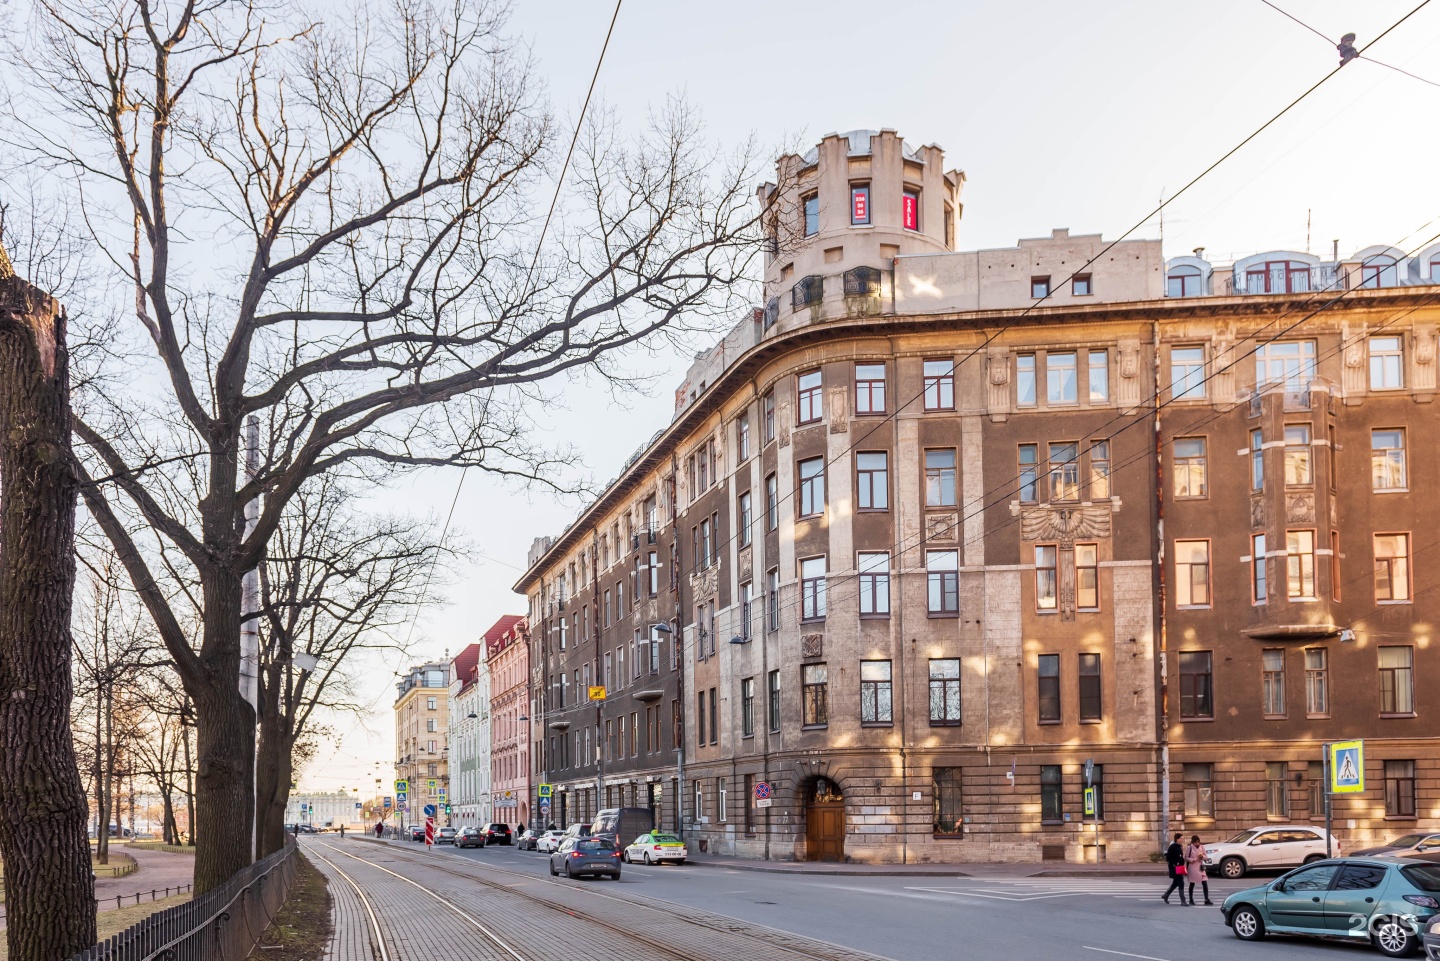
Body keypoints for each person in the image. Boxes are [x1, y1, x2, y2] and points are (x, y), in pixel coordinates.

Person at [1185, 834, 1212, 905]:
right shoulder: (1189, 848)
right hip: (1193, 867)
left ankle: (1206, 899)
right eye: (1195, 842)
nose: (1197, 844)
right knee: (1192, 883)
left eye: (1198, 842)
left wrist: (1202, 856)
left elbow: (1206, 857)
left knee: (1205, 883)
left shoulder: (1202, 847)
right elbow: (1186, 857)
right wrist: (1194, 859)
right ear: (1192, 842)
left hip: (1200, 867)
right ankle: (1191, 899)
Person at [1163, 833, 1189, 905]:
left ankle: (1166, 895)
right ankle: (1183, 901)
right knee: (1181, 883)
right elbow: (1168, 858)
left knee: (1175, 883)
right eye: (1181, 838)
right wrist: (1175, 863)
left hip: (1179, 867)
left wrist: (1182, 861)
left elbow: (1180, 857)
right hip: (1174, 868)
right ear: (1177, 839)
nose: (1183, 840)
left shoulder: (1179, 846)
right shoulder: (1173, 847)